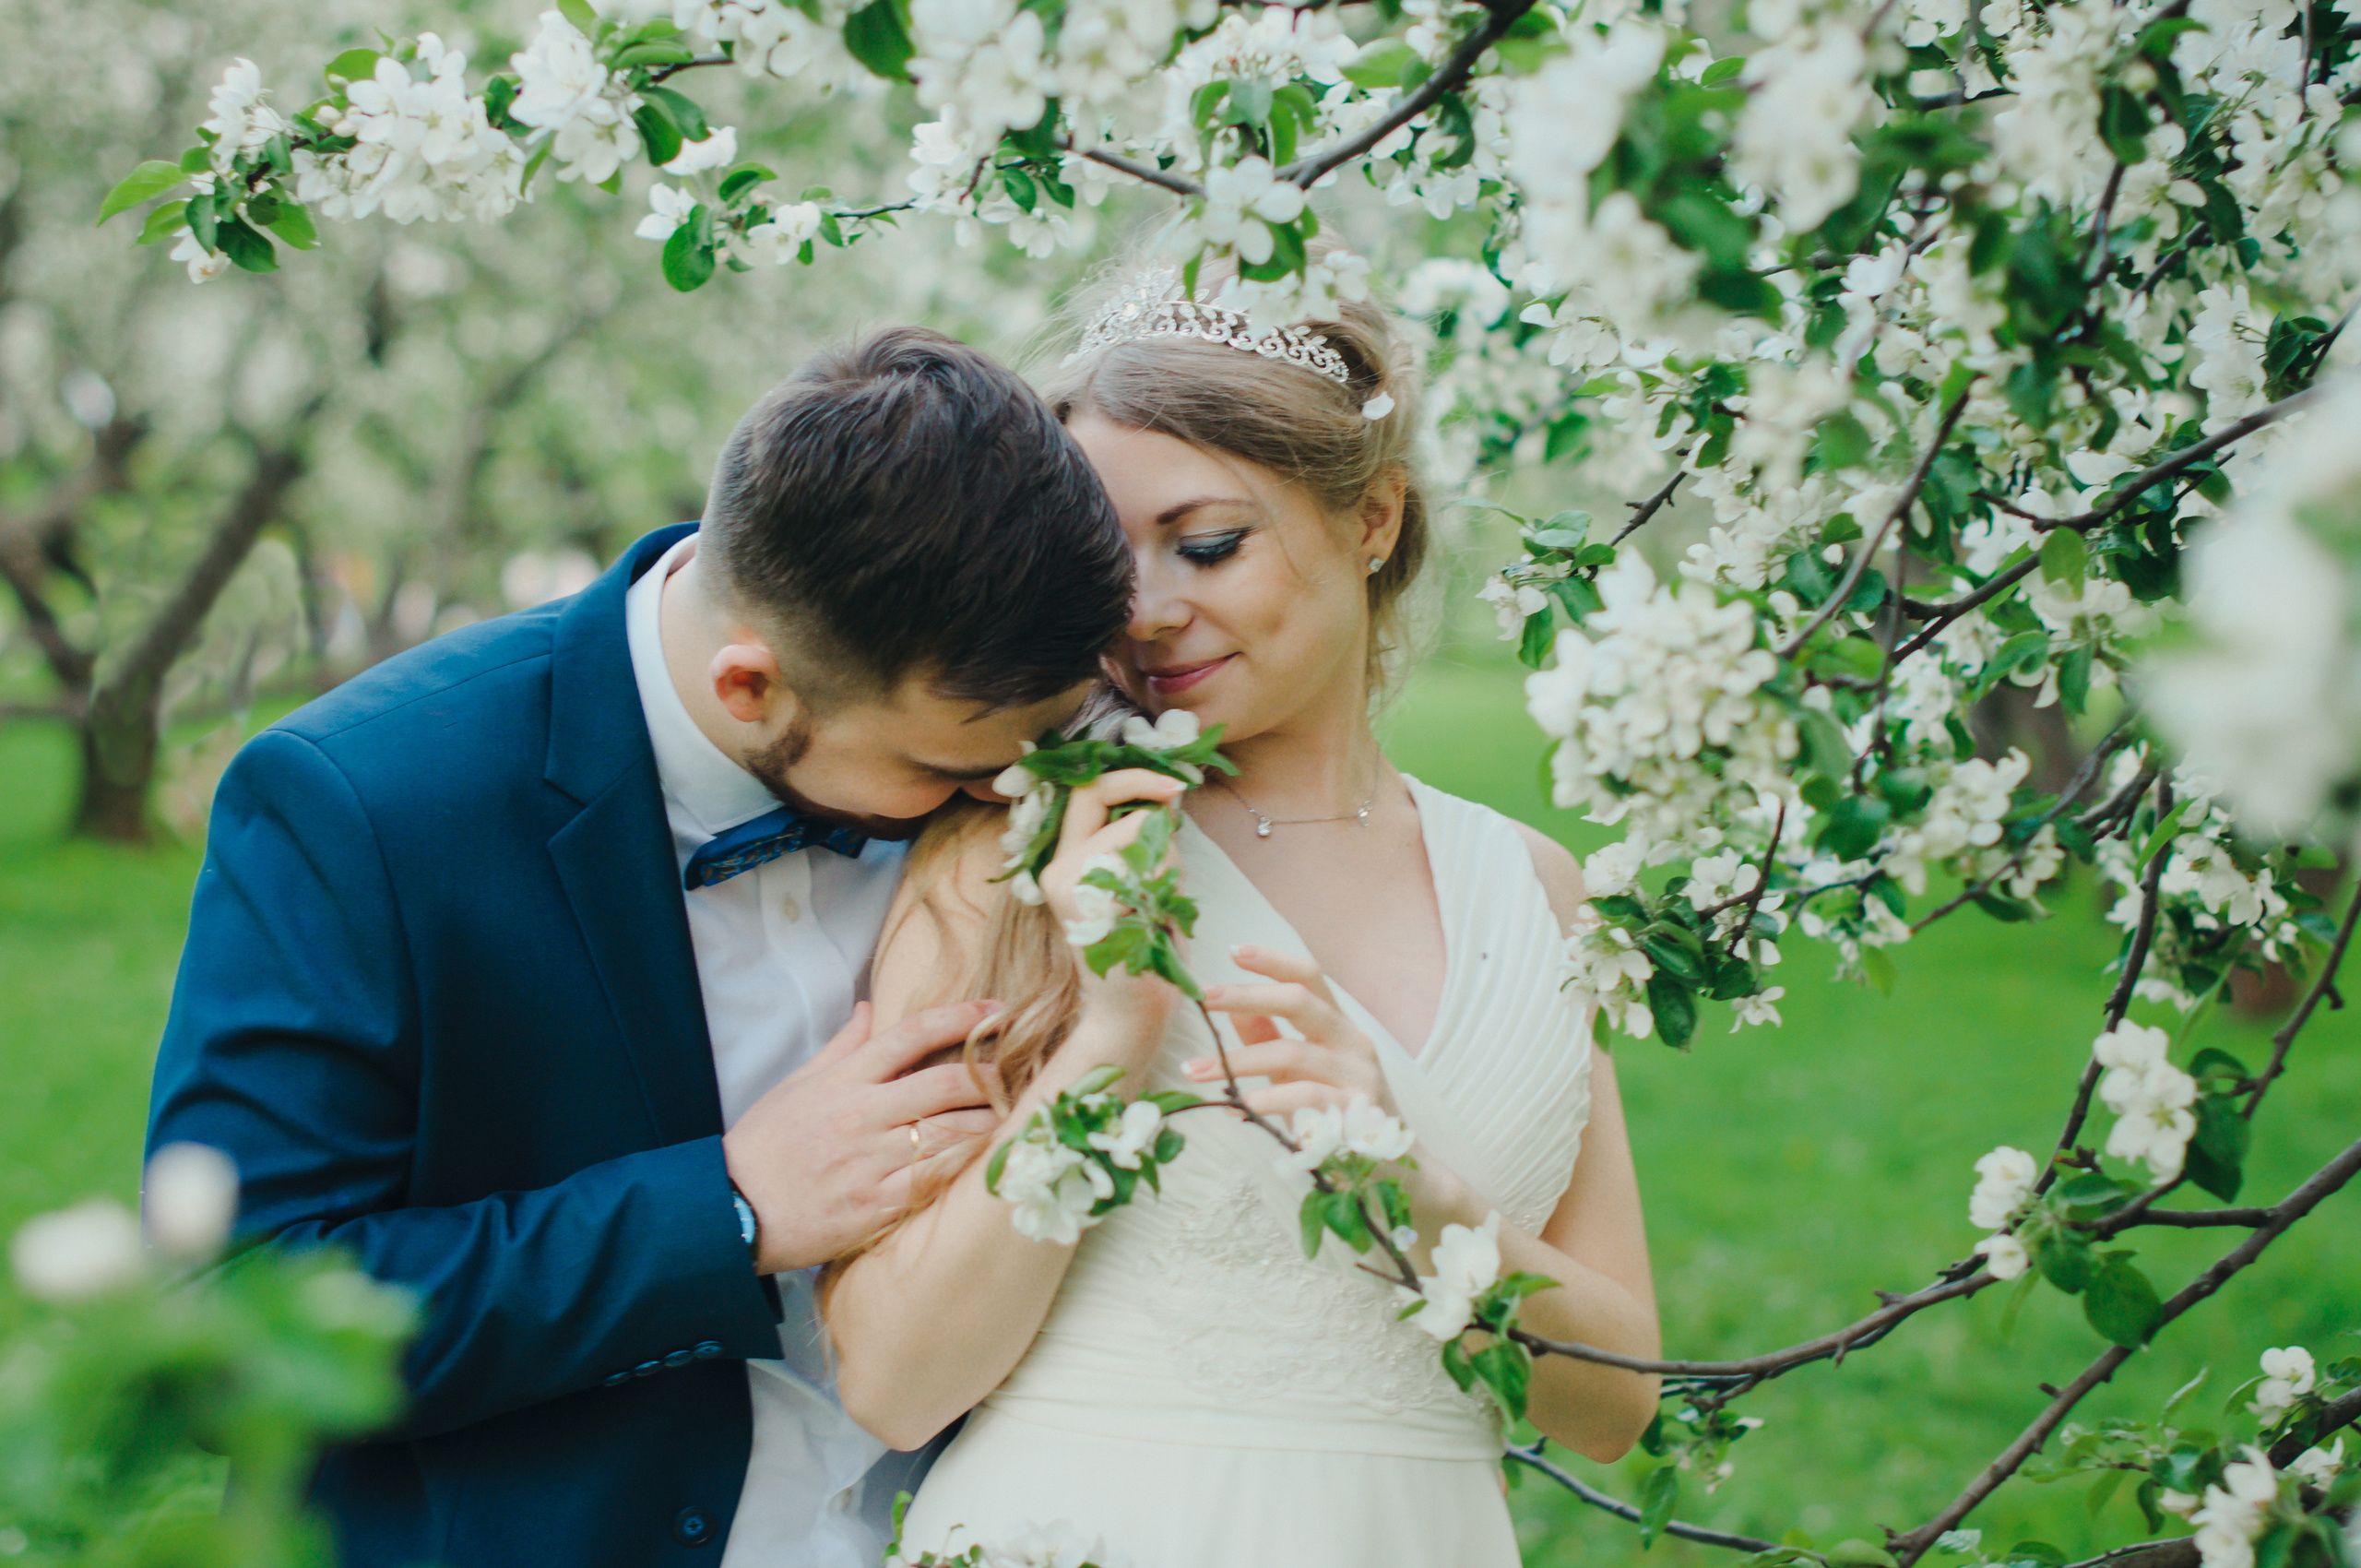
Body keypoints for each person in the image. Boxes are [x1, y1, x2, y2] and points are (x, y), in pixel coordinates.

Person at [143, 327, 1135, 1568]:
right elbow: (238, 1321)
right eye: (948, 766)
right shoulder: (366, 808)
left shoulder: (998, 771)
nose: (1006, 793)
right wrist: (724, 1209)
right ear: (750, 690)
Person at [822, 276, 1663, 1566]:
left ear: (1373, 518)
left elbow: (1614, 1402)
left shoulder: (1536, 890)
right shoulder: (1015, 856)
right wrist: (1113, 1027)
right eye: (1106, 562)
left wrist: (1415, 1198)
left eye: (1207, 544)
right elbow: (890, 1382)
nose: (1146, 615)